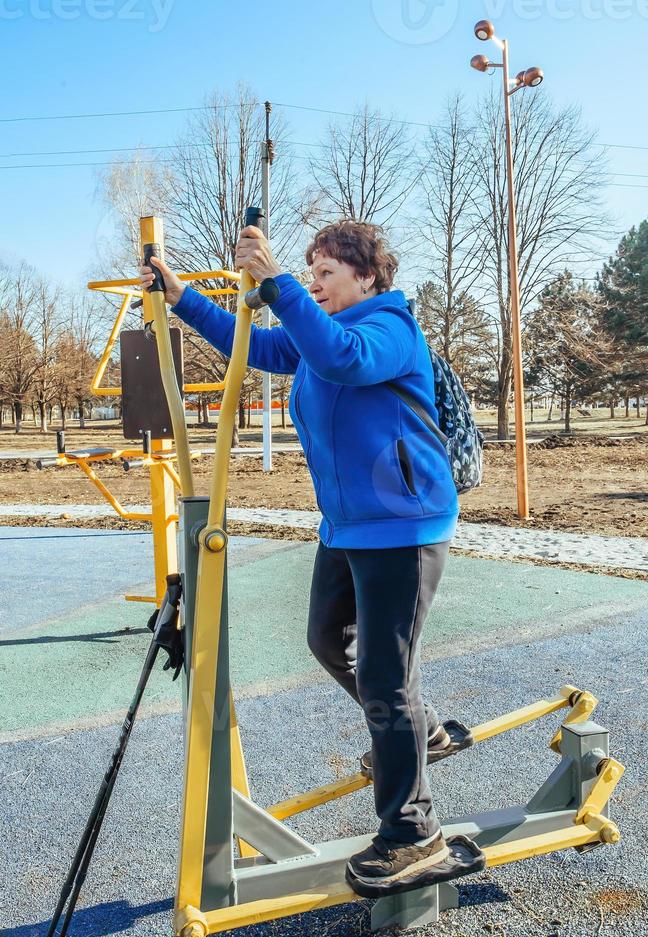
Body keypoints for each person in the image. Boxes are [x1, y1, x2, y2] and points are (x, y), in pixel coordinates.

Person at [139, 219, 480, 895]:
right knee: (329, 641)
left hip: (404, 530)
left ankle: (415, 835)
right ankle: (424, 732)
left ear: (367, 278)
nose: (316, 283)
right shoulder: (316, 334)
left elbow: (343, 358)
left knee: (386, 677)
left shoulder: (388, 330)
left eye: (328, 272)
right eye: (312, 271)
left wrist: (280, 282)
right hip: (348, 528)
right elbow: (263, 349)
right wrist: (181, 297)